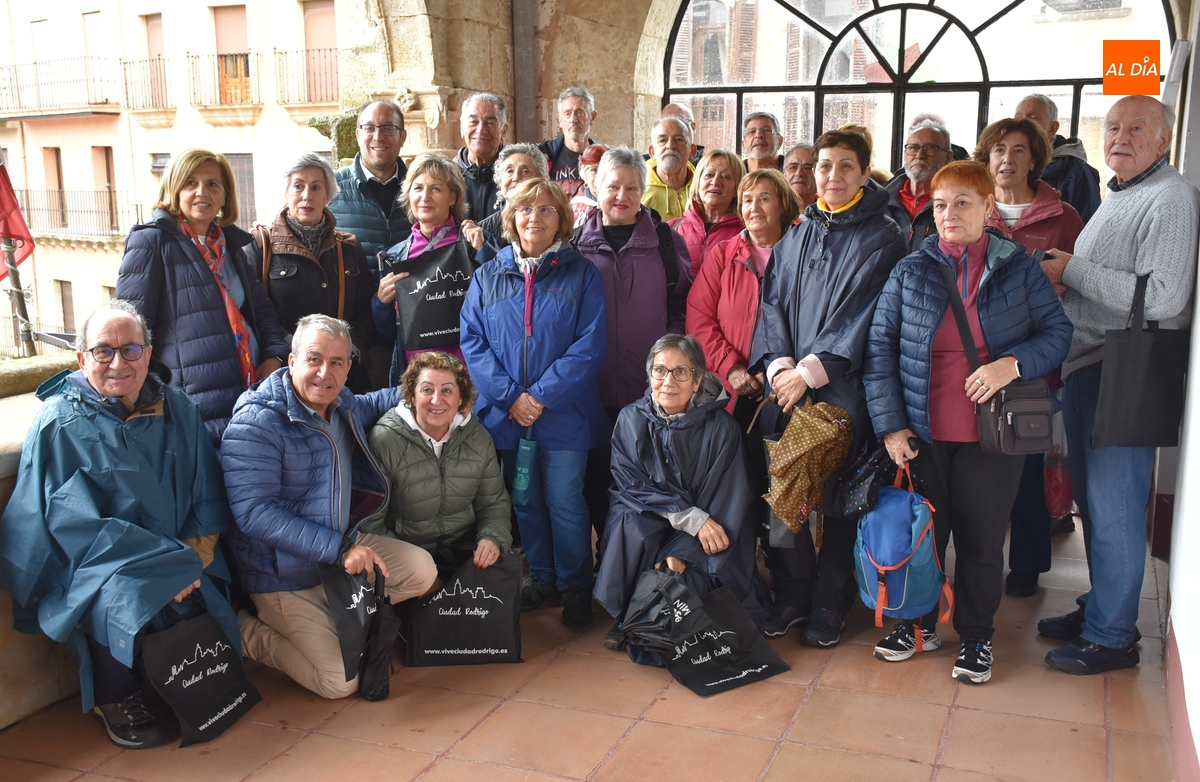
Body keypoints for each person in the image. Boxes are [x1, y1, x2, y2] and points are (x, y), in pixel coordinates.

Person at [865, 160, 1072, 684]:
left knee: (981, 543)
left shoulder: (1018, 268)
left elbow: (1057, 333)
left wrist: (1012, 364)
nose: (949, 213)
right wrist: (891, 426)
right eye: (940, 204)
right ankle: (918, 623)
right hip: (922, 434)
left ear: (988, 208)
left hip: (991, 437)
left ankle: (978, 637)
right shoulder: (912, 268)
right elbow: (880, 351)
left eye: (962, 203)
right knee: (925, 537)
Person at [0, 302, 240, 748]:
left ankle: (180, 681)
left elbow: (207, 491)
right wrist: (163, 569)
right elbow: (69, 523)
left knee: (210, 589)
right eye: (103, 351)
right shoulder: (59, 424)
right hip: (104, 564)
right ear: (81, 359)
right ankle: (118, 697)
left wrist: (192, 557)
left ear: (149, 354)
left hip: (181, 553)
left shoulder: (180, 409)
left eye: (130, 349)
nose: (117, 363)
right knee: (123, 597)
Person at [1038, 96, 1200, 674]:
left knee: (1118, 507)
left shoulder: (1172, 198)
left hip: (1124, 369)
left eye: (1136, 128)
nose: (1120, 137)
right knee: (1094, 502)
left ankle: (1112, 637)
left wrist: (1070, 269)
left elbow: (1162, 297)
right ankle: (1099, 607)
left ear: (1165, 138)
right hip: (1090, 364)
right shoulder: (1125, 193)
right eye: (1112, 127)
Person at [222, 314, 438, 699]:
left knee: (421, 570)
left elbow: (376, 401)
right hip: (282, 575)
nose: (325, 373)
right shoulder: (256, 423)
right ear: (292, 361)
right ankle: (244, 631)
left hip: (339, 560)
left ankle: (343, 619)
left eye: (337, 362)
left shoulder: (342, 405)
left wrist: (427, 392)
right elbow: (254, 513)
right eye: (314, 359)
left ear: (348, 367)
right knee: (338, 683)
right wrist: (339, 550)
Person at [751, 129, 907, 648]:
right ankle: (793, 595)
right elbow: (770, 304)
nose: (833, 177)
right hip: (788, 385)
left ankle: (829, 604)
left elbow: (865, 315)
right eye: (824, 166)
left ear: (865, 173)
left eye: (845, 166)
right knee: (782, 491)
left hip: (843, 389)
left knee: (841, 500)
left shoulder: (883, 235)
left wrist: (809, 373)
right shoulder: (798, 232)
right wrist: (778, 367)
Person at [459, 178, 609, 626]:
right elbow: (473, 342)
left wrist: (539, 397)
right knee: (523, 500)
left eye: (546, 210)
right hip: (507, 416)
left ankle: (576, 584)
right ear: (511, 217)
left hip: (565, 414)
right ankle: (541, 577)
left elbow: (589, 346)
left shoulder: (581, 274)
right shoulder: (488, 276)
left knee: (565, 498)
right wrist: (510, 398)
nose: (534, 218)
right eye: (525, 208)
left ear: (561, 218)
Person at [594, 334, 772, 660]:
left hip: (700, 535)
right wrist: (687, 518)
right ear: (649, 376)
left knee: (697, 589)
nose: (668, 381)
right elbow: (630, 485)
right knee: (626, 521)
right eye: (659, 371)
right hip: (654, 517)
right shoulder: (631, 420)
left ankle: (651, 607)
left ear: (698, 379)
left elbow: (727, 500)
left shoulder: (721, 429)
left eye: (681, 372)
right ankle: (631, 612)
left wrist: (683, 551)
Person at [974, 117, 1084, 598]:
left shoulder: (1065, 216)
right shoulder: (975, 208)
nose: (1007, 159)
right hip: (978, 359)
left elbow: (1079, 284)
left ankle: (1027, 564)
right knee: (979, 465)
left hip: (1036, 361)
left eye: (1019, 150)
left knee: (1027, 466)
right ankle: (978, 560)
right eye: (999, 149)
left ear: (1035, 159)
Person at [117, 148, 289, 446]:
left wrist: (274, 355)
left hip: (250, 391)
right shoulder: (151, 241)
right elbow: (129, 330)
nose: (202, 192)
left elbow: (261, 310)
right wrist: (162, 393)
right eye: (191, 183)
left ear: (225, 195)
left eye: (213, 184)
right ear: (174, 188)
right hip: (191, 407)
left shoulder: (231, 246)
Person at [577, 147, 694, 545]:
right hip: (590, 388)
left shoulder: (665, 242)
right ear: (596, 186)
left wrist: (668, 358)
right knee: (595, 477)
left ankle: (638, 559)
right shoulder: (576, 244)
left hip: (650, 391)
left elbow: (681, 304)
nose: (621, 196)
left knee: (646, 476)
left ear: (644, 189)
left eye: (631, 187)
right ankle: (607, 552)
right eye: (612, 186)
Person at [363, 351, 512, 580]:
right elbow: (370, 524)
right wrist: (417, 567)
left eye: (447, 390)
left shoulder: (478, 439)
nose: (436, 400)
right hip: (408, 559)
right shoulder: (384, 441)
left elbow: (493, 503)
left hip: (463, 552)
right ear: (411, 395)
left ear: (461, 398)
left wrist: (491, 538)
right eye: (427, 389)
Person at [249, 152, 376, 393]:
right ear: (286, 192)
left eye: (316, 187)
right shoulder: (260, 245)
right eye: (298, 186)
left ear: (328, 196)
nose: (307, 195)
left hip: (340, 378)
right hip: (284, 375)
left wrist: (348, 349)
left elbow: (365, 311)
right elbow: (254, 314)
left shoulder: (348, 247)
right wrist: (288, 348)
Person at [687, 168, 799, 422]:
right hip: (727, 389)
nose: (754, 207)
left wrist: (771, 371)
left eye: (764, 198)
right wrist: (732, 368)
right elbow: (698, 319)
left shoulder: (802, 257)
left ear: (783, 205)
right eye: (747, 199)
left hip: (784, 389)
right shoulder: (723, 254)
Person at [372, 154, 486, 385]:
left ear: (453, 196)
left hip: (468, 377)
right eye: (417, 188)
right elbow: (386, 334)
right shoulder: (395, 256)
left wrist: (483, 254)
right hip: (415, 379)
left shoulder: (471, 244)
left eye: (436, 189)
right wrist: (380, 303)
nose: (425, 197)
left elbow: (499, 306)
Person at [328, 99, 412, 271]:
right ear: (358, 135)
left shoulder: (420, 189)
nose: (378, 137)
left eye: (388, 128)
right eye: (369, 128)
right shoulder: (330, 188)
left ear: (402, 137)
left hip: (411, 296)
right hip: (354, 298)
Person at [1015, 94, 1102, 223]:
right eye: (1017, 118)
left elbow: (1088, 226)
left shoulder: (1078, 173)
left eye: (1033, 118)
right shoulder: (1006, 165)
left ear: (1052, 128)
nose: (1022, 124)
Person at [670, 149, 746, 279]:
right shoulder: (671, 229)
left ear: (737, 189)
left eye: (726, 177)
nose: (715, 182)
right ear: (698, 183)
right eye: (709, 175)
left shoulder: (746, 234)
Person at [885, 119, 954, 252]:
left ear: (948, 157)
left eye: (930, 148)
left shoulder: (956, 205)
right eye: (913, 148)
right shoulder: (879, 202)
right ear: (905, 154)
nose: (920, 155)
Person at [478, 143, 550, 246]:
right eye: (509, 171)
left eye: (525, 171)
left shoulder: (551, 223)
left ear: (540, 180)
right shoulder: (483, 232)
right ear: (500, 179)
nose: (516, 177)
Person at [455, 92, 509, 221]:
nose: (480, 129)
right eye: (473, 122)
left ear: (504, 130)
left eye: (490, 123)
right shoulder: (448, 176)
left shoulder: (516, 174)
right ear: (462, 128)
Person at [539, 87, 598, 198]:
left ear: (592, 117)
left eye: (580, 113)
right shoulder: (543, 155)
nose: (573, 119)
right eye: (567, 113)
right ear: (559, 120)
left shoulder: (605, 158)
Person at [643, 115, 697, 221]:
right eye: (663, 140)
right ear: (652, 152)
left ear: (693, 151)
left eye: (679, 140)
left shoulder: (703, 189)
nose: (670, 145)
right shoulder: (637, 189)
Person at [571, 143, 607, 226]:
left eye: (605, 169)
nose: (600, 176)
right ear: (585, 177)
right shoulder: (573, 209)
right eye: (594, 170)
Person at [783, 143, 818, 212]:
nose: (799, 174)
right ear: (783, 175)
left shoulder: (830, 213)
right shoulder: (773, 214)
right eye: (793, 167)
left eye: (807, 168)